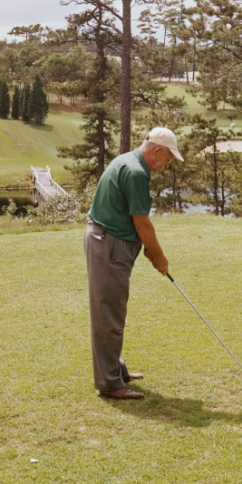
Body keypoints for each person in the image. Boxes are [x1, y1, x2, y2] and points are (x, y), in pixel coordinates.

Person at [84, 127, 183, 399]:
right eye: (167, 159)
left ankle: (115, 369)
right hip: (110, 245)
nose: (166, 165)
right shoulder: (138, 173)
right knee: (109, 314)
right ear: (156, 150)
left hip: (106, 240)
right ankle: (110, 384)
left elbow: (134, 221)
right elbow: (142, 222)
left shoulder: (126, 159)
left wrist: (149, 251)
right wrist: (158, 255)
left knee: (112, 309)